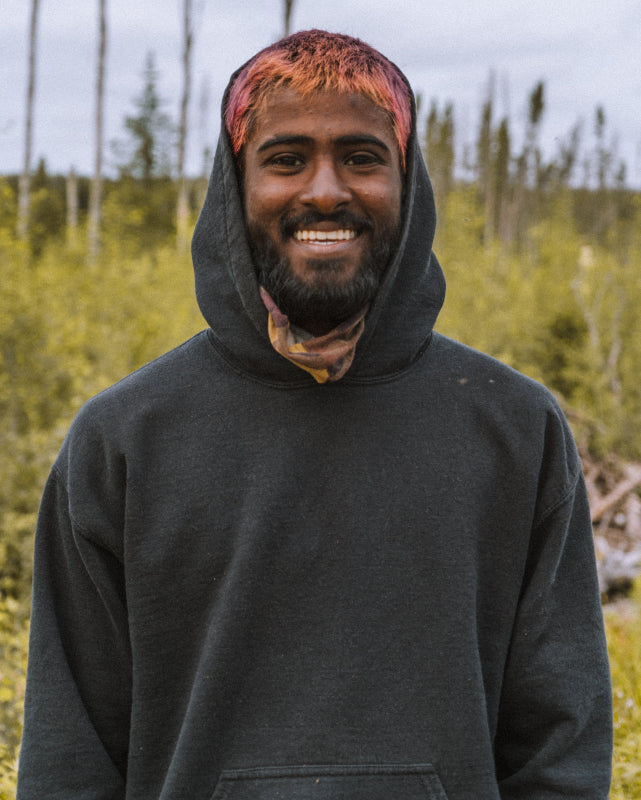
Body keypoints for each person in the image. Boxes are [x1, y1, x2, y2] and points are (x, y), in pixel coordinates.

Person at [18, 29, 612, 799]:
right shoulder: (124, 440)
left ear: (409, 184)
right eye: (286, 159)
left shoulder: (513, 428)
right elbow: (70, 761)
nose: (325, 191)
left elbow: (560, 749)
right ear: (236, 186)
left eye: (362, 158)